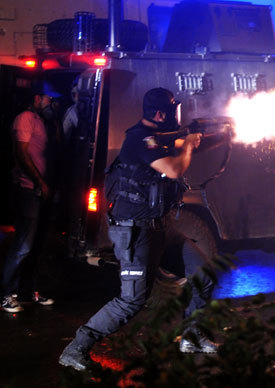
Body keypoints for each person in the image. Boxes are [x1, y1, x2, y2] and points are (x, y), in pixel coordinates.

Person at [59, 88, 217, 371]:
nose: (174, 115)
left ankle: (191, 336)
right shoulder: (139, 141)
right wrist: (189, 145)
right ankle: (76, 347)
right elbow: (174, 170)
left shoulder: (157, 138)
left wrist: (215, 137)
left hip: (159, 228)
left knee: (203, 273)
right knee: (132, 301)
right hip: (135, 233)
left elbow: (182, 144)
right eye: (170, 110)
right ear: (159, 114)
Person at [1, 83, 59, 313]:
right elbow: (21, 153)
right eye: (47, 99)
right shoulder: (24, 118)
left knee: (37, 244)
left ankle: (29, 291)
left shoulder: (42, 121)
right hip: (28, 189)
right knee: (23, 244)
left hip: (42, 190)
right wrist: (39, 182)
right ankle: (7, 293)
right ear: (36, 98)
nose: (50, 103)